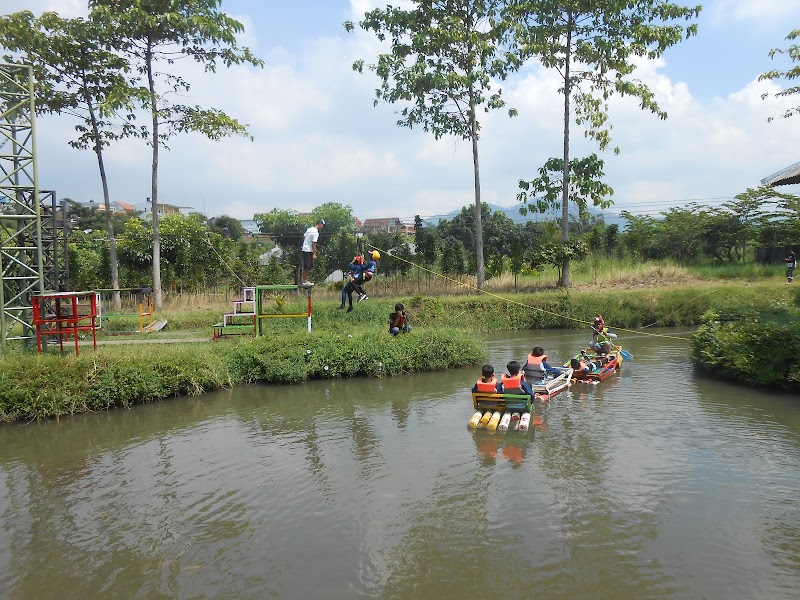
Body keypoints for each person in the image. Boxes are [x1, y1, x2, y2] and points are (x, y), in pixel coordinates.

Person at [300, 218, 325, 285]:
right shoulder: (315, 232)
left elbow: (304, 237)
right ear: (319, 224)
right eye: (322, 225)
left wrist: (306, 242)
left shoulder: (309, 229)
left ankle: (305, 280)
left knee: (309, 265)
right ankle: (304, 281)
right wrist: (314, 254)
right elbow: (314, 243)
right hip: (308, 250)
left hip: (305, 249)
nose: (322, 227)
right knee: (307, 266)